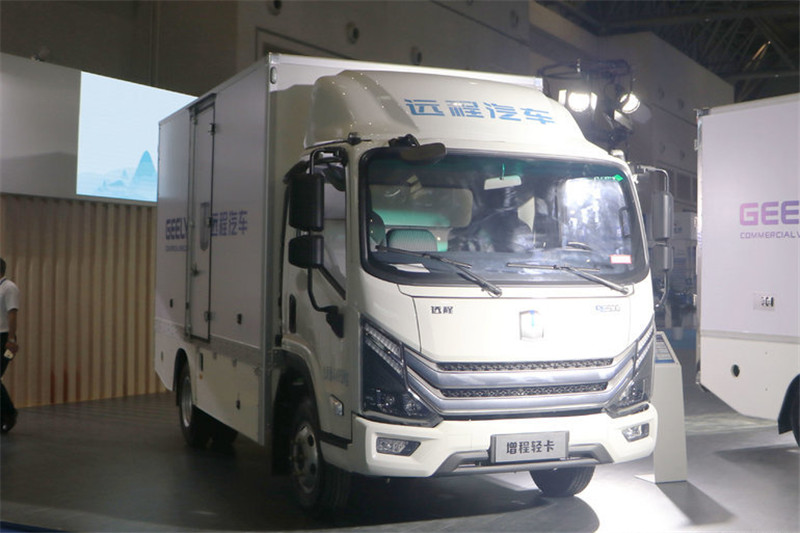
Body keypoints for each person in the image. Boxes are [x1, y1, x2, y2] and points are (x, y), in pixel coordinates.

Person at [1, 257, 20, 433]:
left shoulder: (9, 288)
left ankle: (9, 413)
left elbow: (12, 313)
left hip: (4, 337)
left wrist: (11, 339)